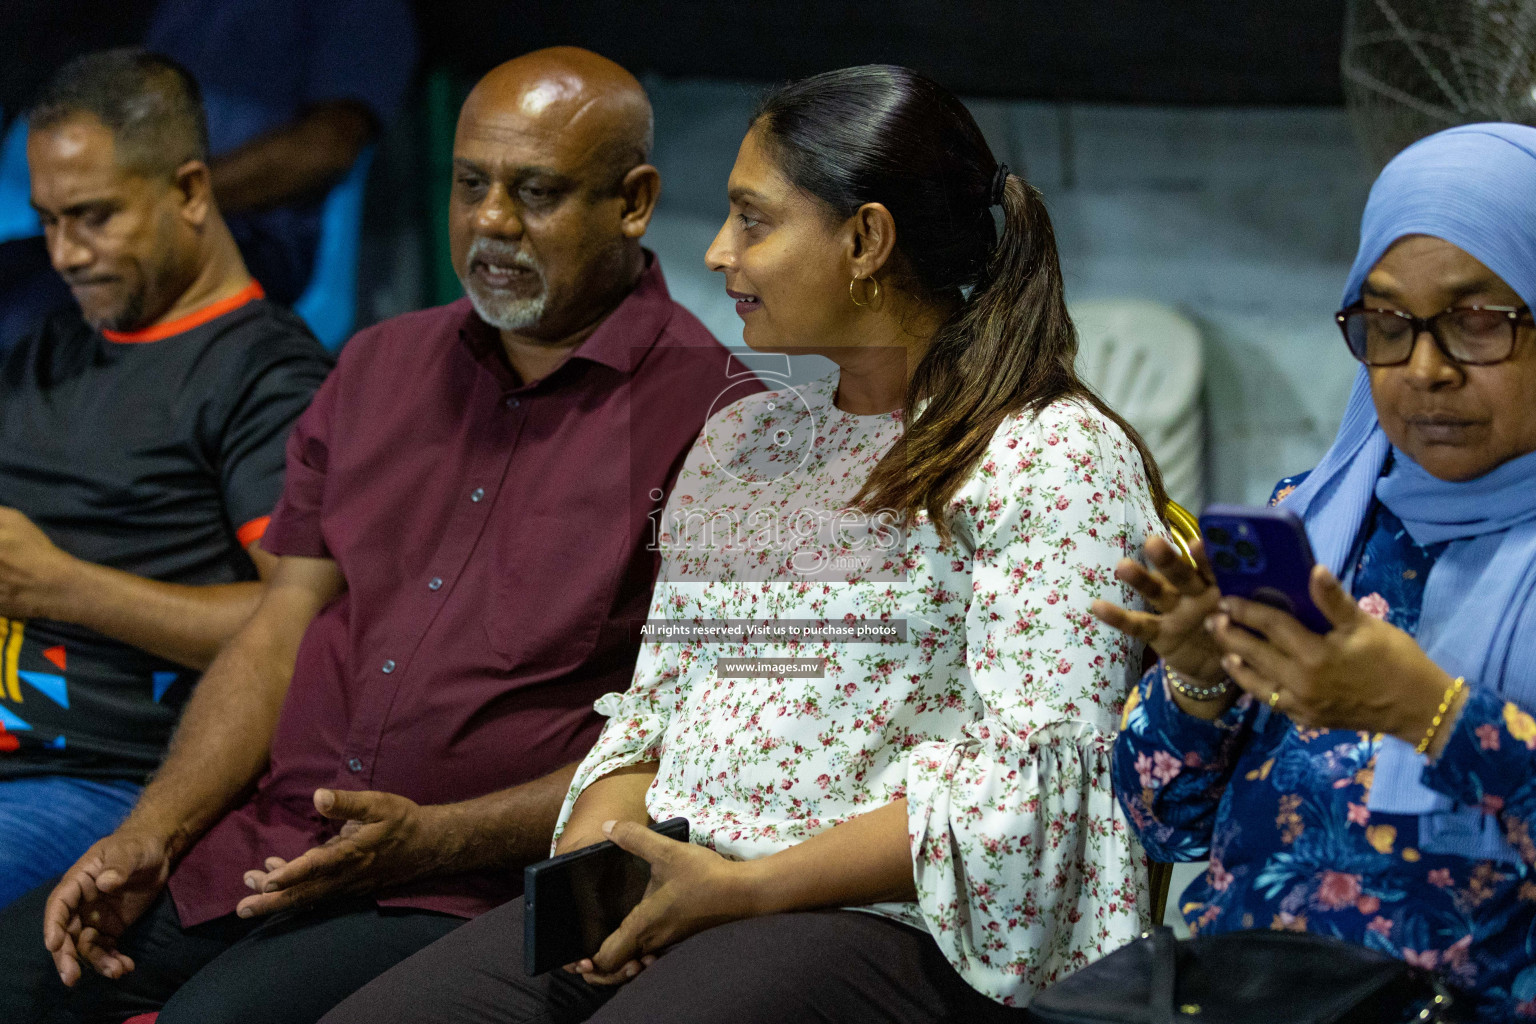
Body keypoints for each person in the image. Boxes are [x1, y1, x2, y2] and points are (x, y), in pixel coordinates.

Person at [320, 64, 1169, 1024]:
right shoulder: (746, 439)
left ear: (866, 240)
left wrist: (746, 890)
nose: (720, 253)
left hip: (900, 917)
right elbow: (655, 711)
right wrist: (601, 875)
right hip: (691, 879)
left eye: (754, 220)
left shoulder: (1048, 453)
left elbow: (1033, 785)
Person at [0, 47, 749, 1024]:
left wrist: (433, 838)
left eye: (536, 192)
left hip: (474, 888)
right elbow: (277, 631)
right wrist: (151, 833)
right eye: (471, 183)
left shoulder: (721, 421)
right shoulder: (380, 366)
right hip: (269, 849)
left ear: (635, 200)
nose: (491, 221)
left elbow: (694, 745)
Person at [1097, 123, 1536, 1021]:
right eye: (1387, 323)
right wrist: (1195, 681)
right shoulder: (1316, 517)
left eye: (1477, 322)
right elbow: (1159, 824)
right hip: (1243, 993)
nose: (1425, 369)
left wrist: (1431, 714)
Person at [0, 50, 330, 910]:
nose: (65, 253)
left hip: (106, 780)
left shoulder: (266, 377)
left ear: (189, 191)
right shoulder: (50, 349)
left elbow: (299, 626)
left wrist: (63, 588)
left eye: (95, 217)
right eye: (49, 221)